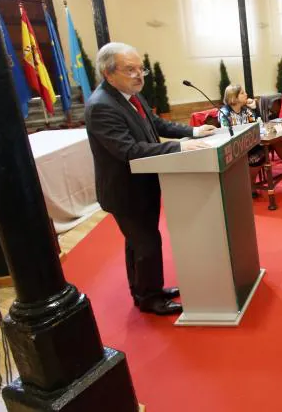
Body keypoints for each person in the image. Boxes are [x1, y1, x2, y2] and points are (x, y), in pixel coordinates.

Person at [85, 43, 215, 315]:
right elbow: (128, 150)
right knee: (147, 243)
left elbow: (157, 125)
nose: (139, 74)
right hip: (125, 191)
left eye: (140, 68)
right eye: (130, 69)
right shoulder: (101, 106)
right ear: (108, 74)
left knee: (138, 243)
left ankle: (143, 290)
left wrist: (193, 132)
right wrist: (178, 147)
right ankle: (150, 299)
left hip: (143, 185)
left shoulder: (131, 96)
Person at [220, 84, 265, 198]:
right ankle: (247, 185)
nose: (246, 95)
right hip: (234, 148)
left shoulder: (246, 110)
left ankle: (250, 183)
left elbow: (257, 124)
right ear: (233, 97)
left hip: (249, 145)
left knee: (262, 151)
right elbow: (227, 134)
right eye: (242, 93)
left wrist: (255, 109)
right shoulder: (224, 113)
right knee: (256, 153)